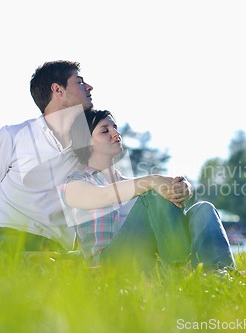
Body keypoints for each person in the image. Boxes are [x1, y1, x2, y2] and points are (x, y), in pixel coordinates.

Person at [0, 60, 193, 263]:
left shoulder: (87, 144)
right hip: (5, 236)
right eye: (79, 82)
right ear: (57, 90)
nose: (89, 87)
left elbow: (115, 184)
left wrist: (167, 184)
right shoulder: (12, 136)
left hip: (55, 252)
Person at [60, 110, 236, 272]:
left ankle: (219, 273)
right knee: (153, 193)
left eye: (114, 127)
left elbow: (157, 190)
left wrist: (183, 188)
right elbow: (104, 194)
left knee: (204, 208)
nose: (116, 133)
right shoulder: (74, 184)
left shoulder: (132, 185)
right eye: (105, 131)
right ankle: (179, 268)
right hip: (108, 264)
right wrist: (153, 181)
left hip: (147, 259)